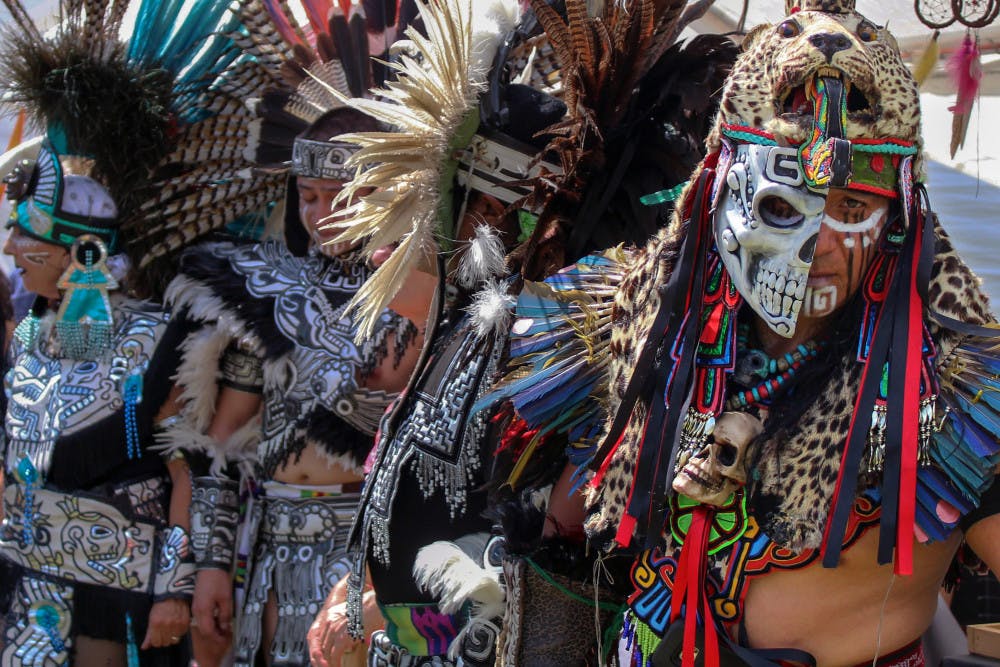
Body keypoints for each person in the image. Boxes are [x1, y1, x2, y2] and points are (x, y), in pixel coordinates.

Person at [515, 1, 1000, 665]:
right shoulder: (633, 330)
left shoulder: (956, 387)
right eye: (782, 204)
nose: (817, 245)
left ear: (898, 219)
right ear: (718, 196)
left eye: (851, 208)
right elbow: (567, 543)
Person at [305, 0, 736, 664]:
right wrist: (348, 597)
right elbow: (398, 517)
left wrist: (376, 620)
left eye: (396, 200)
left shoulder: (547, 342)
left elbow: (558, 553)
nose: (370, 231)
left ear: (464, 207)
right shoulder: (455, 335)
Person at [0, 0, 279, 663]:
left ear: (81, 254)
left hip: (121, 601)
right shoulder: (33, 330)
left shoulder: (164, 341)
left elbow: (187, 471)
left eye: (28, 239)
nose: (11, 247)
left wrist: (176, 588)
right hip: (28, 594)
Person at [158, 7, 424, 666]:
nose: (320, 212)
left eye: (339, 195)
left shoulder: (418, 296)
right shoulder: (263, 290)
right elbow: (223, 444)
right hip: (270, 547)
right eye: (307, 195)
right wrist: (211, 565)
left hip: (366, 555)